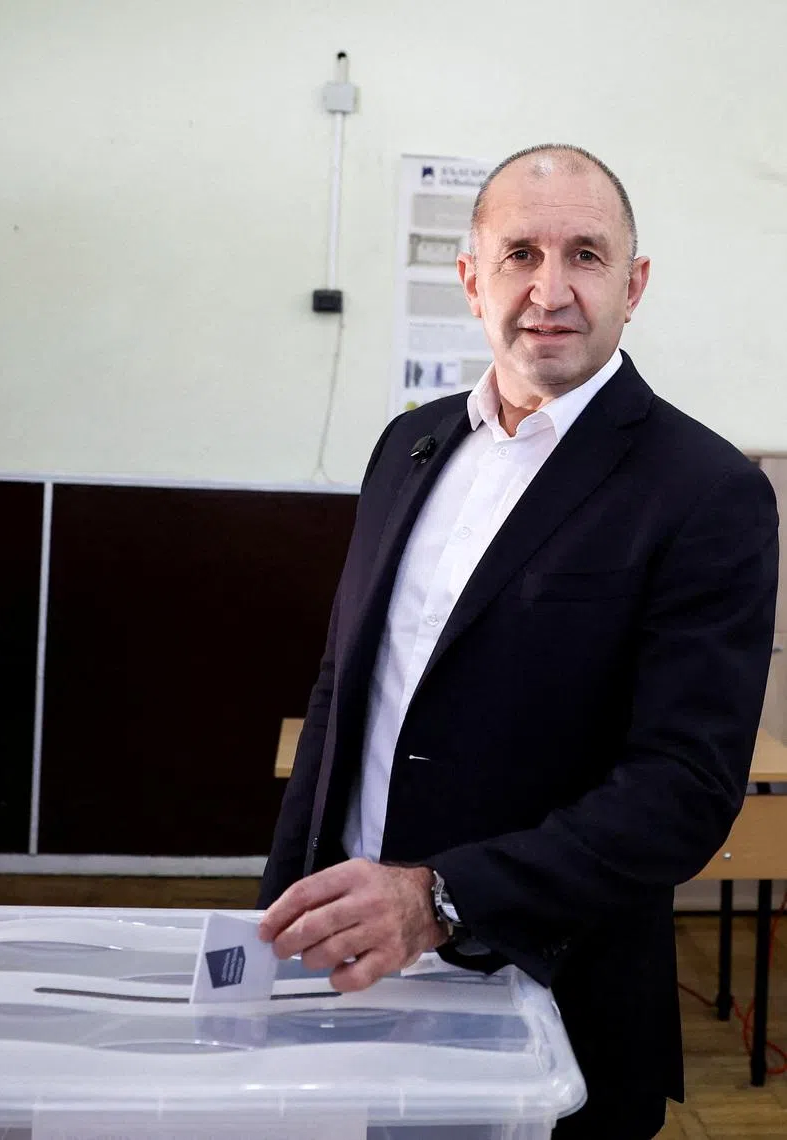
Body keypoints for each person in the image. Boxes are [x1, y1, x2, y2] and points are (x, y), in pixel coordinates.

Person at [257, 144, 778, 1139]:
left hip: (549, 1001)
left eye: (586, 254)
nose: (552, 289)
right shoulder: (408, 449)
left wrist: (440, 898)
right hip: (346, 976)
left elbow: (682, 789)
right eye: (520, 254)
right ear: (470, 277)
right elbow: (343, 694)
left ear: (635, 284)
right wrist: (280, 915)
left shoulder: (704, 491)